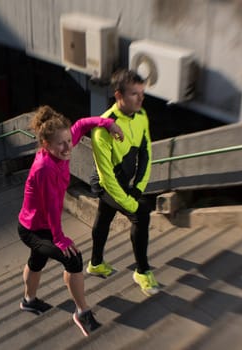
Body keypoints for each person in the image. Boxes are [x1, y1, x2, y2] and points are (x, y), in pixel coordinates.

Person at [17, 105, 124, 337]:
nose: (68, 147)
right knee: (73, 259)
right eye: (61, 144)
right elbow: (52, 206)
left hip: (41, 223)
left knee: (37, 260)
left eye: (68, 140)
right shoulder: (44, 168)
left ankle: (28, 300)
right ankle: (82, 312)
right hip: (32, 228)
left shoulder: (62, 144)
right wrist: (59, 238)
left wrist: (109, 124)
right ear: (46, 145)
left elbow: (84, 123)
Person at [88, 69, 161, 296]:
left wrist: (138, 187)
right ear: (119, 95)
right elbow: (107, 177)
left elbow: (146, 153)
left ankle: (95, 263)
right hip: (106, 184)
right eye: (134, 94)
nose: (141, 98)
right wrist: (131, 203)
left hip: (126, 183)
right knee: (140, 214)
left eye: (142, 93)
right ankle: (142, 271)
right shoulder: (103, 127)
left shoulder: (141, 116)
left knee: (104, 218)